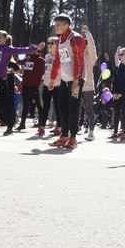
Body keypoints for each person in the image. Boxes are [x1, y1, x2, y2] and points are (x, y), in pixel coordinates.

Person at [46, 14, 86, 150]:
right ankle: (64, 136)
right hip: (64, 79)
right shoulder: (59, 40)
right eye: (55, 24)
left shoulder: (76, 38)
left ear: (66, 26)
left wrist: (76, 80)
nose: (56, 27)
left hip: (76, 78)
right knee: (62, 108)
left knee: (73, 109)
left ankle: (73, 138)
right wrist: (52, 79)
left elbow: (79, 61)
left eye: (59, 25)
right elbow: (57, 61)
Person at [17, 47, 46, 132]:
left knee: (38, 105)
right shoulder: (27, 58)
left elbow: (44, 70)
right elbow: (19, 62)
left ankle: (41, 123)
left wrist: (40, 78)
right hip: (26, 85)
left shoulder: (41, 60)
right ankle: (22, 124)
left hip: (35, 86)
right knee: (25, 105)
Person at [36, 37, 59, 137]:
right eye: (49, 43)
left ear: (58, 44)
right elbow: (46, 70)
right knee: (45, 106)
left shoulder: (60, 56)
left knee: (58, 107)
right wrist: (42, 79)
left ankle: (59, 128)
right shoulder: (47, 56)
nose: (49, 45)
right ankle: (42, 128)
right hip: (46, 84)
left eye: (52, 43)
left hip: (57, 84)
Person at [80, 25, 98, 140]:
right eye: (83, 45)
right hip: (76, 87)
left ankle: (91, 132)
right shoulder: (77, 58)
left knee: (89, 110)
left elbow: (92, 48)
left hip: (88, 88)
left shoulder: (90, 59)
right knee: (76, 110)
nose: (84, 47)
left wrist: (88, 34)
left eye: (85, 45)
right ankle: (73, 131)